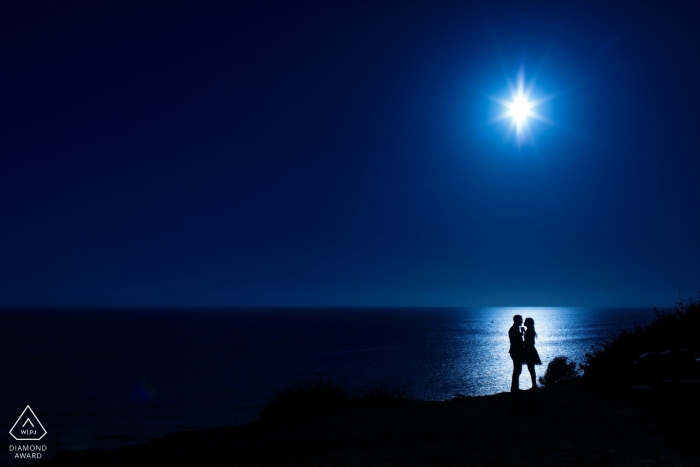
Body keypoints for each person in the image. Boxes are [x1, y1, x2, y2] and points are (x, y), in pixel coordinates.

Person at [508, 315, 525, 398]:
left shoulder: (514, 329)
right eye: (520, 320)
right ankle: (514, 388)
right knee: (517, 370)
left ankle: (515, 388)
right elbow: (516, 341)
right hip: (516, 351)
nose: (522, 321)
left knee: (517, 370)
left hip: (515, 351)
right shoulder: (514, 329)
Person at [523, 317, 542, 390]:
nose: (524, 322)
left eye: (525, 321)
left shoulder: (529, 331)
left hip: (529, 350)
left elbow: (530, 342)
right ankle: (534, 384)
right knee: (531, 368)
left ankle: (534, 385)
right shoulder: (529, 330)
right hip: (530, 350)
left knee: (531, 368)